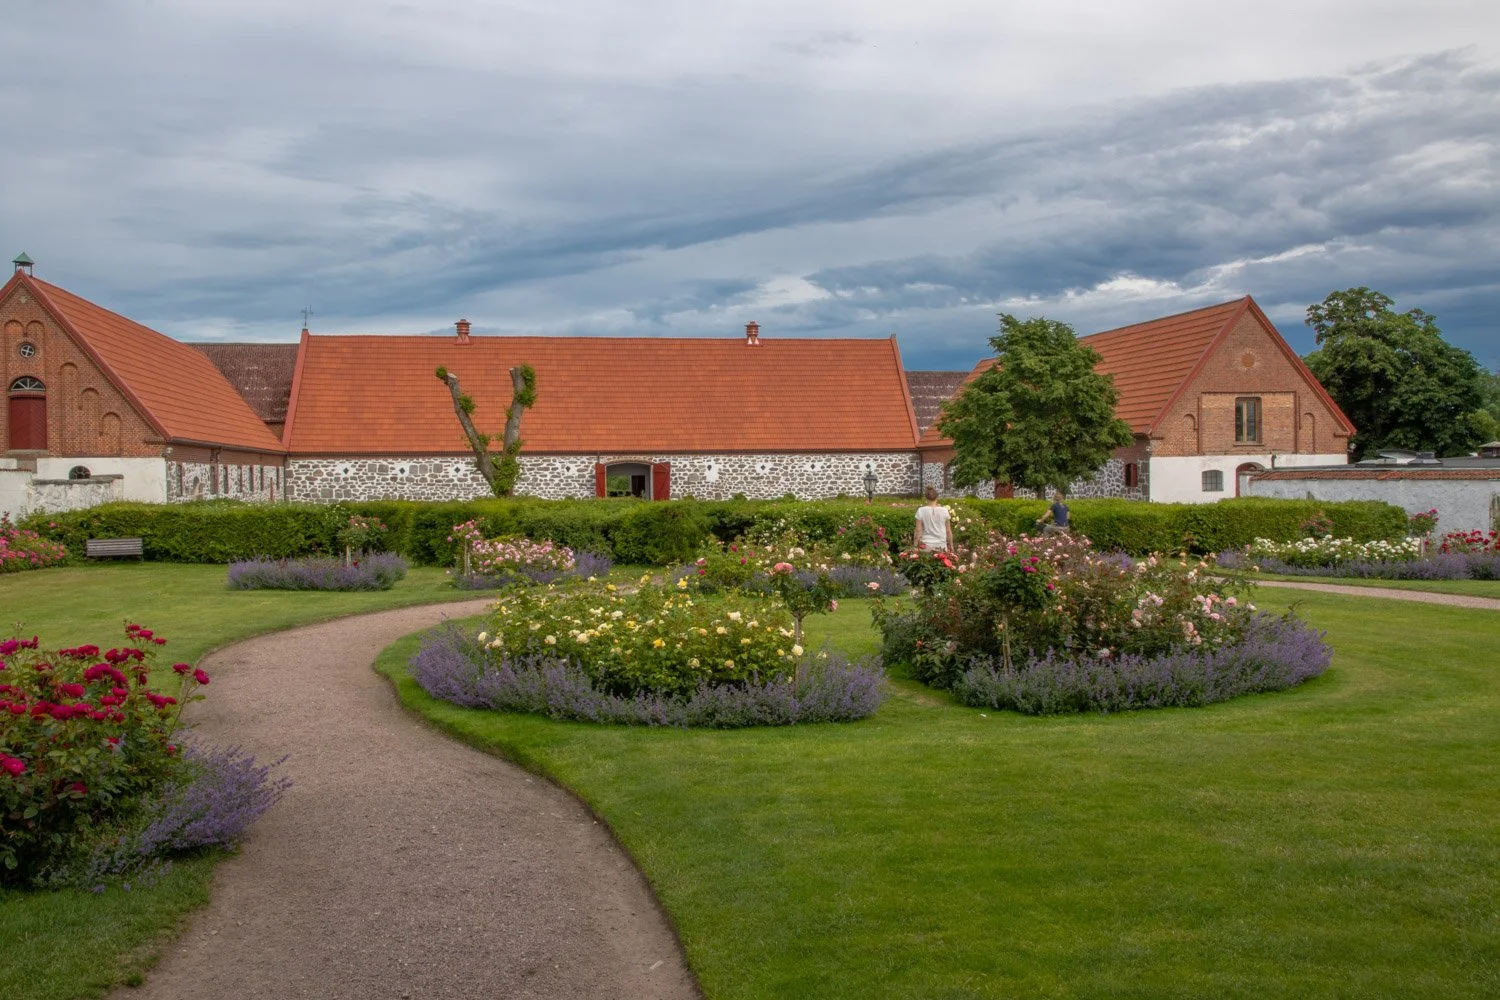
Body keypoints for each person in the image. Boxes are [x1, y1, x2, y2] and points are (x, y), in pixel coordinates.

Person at [914, 486, 953, 551]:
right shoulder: (944, 511)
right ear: (937, 497)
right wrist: (951, 545)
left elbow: (918, 530)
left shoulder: (920, 510)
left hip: (925, 545)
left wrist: (915, 545)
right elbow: (948, 531)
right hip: (941, 546)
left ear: (926, 498)